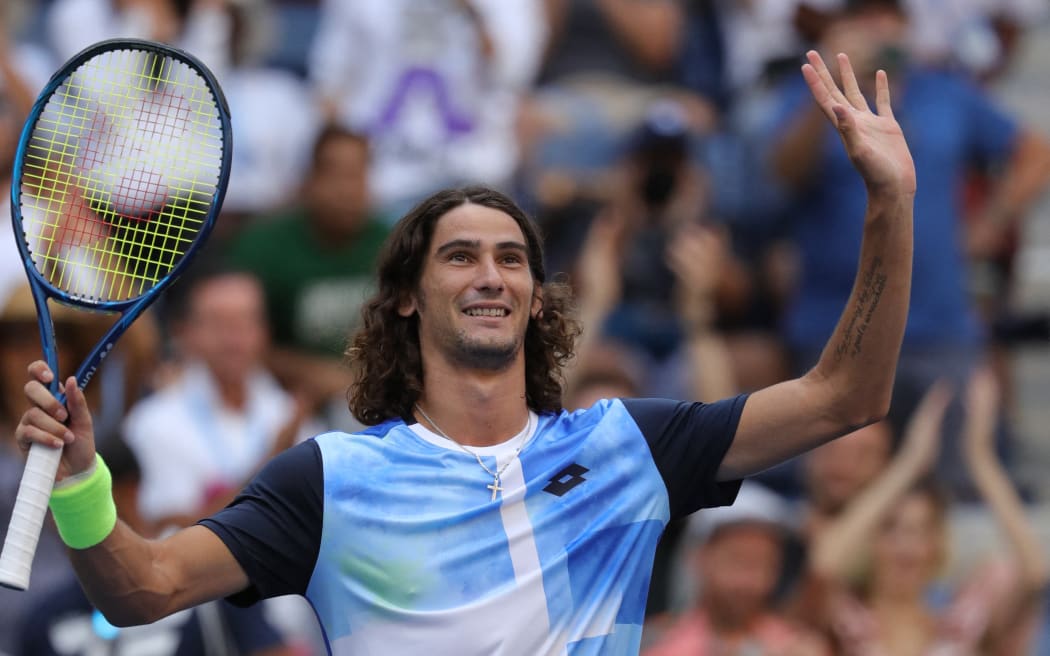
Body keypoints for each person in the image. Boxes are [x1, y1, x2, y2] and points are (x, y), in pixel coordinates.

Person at [13, 51, 916, 655]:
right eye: (461, 255)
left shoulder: (626, 448)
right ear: (407, 296)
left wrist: (890, 205)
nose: (492, 274)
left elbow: (846, 397)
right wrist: (85, 482)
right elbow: (142, 588)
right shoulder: (329, 481)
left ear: (532, 296)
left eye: (512, 257)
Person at [806, 369, 1048, 654]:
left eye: (922, 531)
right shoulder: (847, 619)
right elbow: (824, 562)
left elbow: (1035, 572)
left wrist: (981, 458)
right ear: (870, 541)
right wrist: (908, 463)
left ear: (938, 545)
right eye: (891, 530)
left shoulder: (960, 624)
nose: (907, 546)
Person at [16, 437, 298, 656]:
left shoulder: (205, 580)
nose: (62, 518)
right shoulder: (45, 619)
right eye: (56, 501)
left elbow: (271, 650)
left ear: (130, 490)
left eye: (77, 496)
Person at [642, 482, 829, 655]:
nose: (748, 581)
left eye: (763, 564)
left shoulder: (797, 645)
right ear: (698, 557)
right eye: (737, 561)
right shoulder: (652, 639)